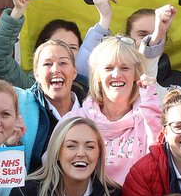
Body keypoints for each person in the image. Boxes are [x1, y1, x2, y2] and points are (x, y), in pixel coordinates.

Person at [63, 34, 163, 186]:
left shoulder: (151, 116)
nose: (117, 74)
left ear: (136, 74)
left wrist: (150, 105)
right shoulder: (73, 121)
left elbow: (163, 164)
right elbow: (53, 168)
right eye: (109, 68)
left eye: (125, 68)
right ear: (97, 75)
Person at [75, 0, 176, 87]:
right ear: (128, 39)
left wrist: (158, 35)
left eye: (157, 34)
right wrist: (105, 18)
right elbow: (81, 76)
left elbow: (147, 73)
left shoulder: (178, 84)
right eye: (142, 35)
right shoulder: (113, 78)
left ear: (165, 41)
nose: (149, 40)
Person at [17, 39, 87, 173]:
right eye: (47, 64)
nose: (56, 70)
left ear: (74, 72)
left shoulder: (93, 109)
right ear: (36, 74)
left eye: (63, 63)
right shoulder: (20, 107)